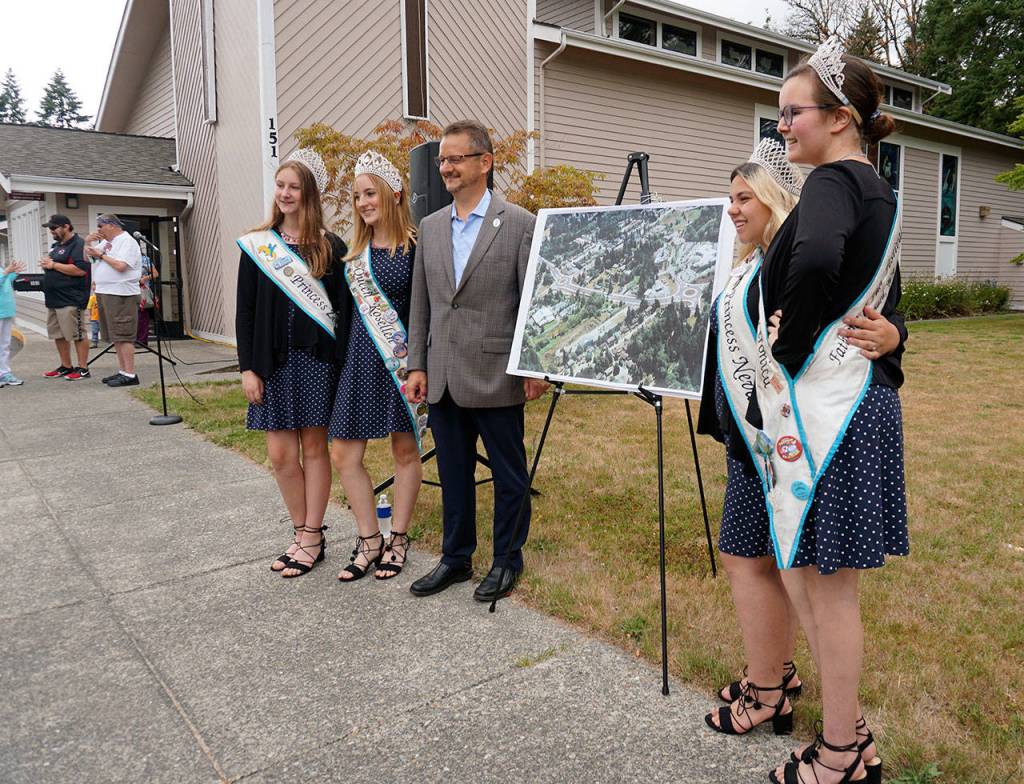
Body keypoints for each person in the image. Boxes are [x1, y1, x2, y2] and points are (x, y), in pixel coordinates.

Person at [698, 140, 904, 757]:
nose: (733, 208)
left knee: (797, 571)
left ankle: (780, 694)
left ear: (776, 198)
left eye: (745, 196)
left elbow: (877, 312)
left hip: (797, 440)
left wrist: (895, 336)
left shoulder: (798, 258)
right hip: (753, 439)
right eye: (730, 196)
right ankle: (770, 680)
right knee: (747, 558)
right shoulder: (743, 264)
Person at [758, 38, 908, 784]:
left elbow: (816, 263)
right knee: (823, 583)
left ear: (840, 118)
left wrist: (787, 343)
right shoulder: (877, 190)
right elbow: (887, 303)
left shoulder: (828, 183)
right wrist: (894, 338)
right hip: (862, 403)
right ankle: (851, 732)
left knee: (830, 588)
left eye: (792, 112)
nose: (782, 126)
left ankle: (842, 753)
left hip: (832, 411)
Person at [406, 119, 547, 603]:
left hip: (495, 374)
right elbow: (421, 304)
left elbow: (532, 303)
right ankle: (456, 557)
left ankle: (507, 559)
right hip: (442, 374)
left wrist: (534, 365)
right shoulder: (428, 227)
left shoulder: (521, 224)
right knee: (453, 472)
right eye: (442, 159)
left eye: (455, 158)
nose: (444, 167)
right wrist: (417, 365)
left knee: (509, 476)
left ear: (484, 163)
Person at [236, 147, 350, 579]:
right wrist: (248, 367)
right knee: (281, 454)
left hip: (317, 362)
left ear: (309, 193)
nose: (285, 193)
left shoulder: (330, 247)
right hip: (272, 363)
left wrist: (341, 367)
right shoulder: (258, 245)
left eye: (293, 187)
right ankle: (301, 532)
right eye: (280, 185)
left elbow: (342, 313)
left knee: (315, 449)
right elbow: (244, 311)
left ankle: (311, 537)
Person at [330, 150, 424, 582]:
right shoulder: (353, 257)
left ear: (393, 193)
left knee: (405, 452)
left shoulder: (417, 246)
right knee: (344, 454)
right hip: (360, 364)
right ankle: (370, 539)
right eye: (356, 196)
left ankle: (398, 538)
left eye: (370, 193)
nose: (363, 202)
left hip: (402, 366)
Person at [85, 214, 143, 387]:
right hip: (105, 292)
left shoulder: (127, 241)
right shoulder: (107, 243)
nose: (99, 230)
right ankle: (122, 371)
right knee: (116, 336)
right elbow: (87, 258)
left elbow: (121, 266)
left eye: (100, 226)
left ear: (111, 225)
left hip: (121, 294)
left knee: (124, 335)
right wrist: (87, 243)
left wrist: (101, 255)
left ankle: (131, 374)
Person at [39, 214, 91, 381]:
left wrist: (53, 265)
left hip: (71, 298)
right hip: (54, 299)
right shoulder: (57, 246)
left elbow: (80, 270)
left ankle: (83, 368)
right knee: (58, 334)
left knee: (77, 334)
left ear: (66, 226)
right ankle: (66, 366)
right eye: (50, 228)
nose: (51, 231)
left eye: (54, 228)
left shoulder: (78, 244)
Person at [0, 259, 27, 387]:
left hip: (6, 311)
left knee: (5, 345)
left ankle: (4, 373)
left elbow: (4, 282)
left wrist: (13, 274)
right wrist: (6, 272)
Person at [136, 247, 158, 345]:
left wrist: (145, 278)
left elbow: (155, 274)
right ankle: (133, 340)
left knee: (142, 316)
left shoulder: (145, 259)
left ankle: (142, 340)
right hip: (129, 291)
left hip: (142, 291)